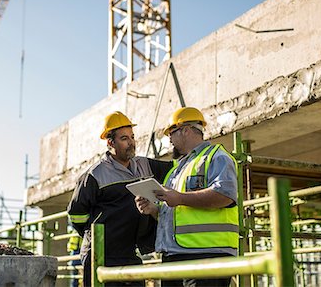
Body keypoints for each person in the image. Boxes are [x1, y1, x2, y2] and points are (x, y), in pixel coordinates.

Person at [135, 107, 238, 287]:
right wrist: (155, 210)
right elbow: (178, 211)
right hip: (174, 255)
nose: (169, 140)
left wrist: (180, 198)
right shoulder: (176, 170)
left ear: (185, 130)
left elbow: (225, 196)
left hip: (207, 256)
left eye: (172, 133)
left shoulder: (216, 157)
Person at [67, 111, 172, 287]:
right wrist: (97, 235)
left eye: (132, 137)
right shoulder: (95, 174)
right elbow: (76, 214)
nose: (131, 142)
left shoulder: (144, 165)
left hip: (130, 251)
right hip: (100, 254)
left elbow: (176, 169)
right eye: (124, 138)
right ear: (110, 142)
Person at [67, 222, 83, 287]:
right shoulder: (75, 229)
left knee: (79, 274)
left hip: (79, 250)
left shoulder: (78, 228)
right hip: (75, 250)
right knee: (75, 275)